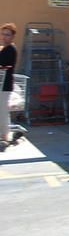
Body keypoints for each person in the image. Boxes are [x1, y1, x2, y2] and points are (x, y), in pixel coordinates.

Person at [0, 23, 18, 151]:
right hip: (2, 84)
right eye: (3, 34)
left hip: (4, 85)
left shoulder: (10, 50)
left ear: (12, 36)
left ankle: (4, 137)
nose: (4, 37)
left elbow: (3, 65)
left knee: (2, 112)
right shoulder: (5, 48)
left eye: (7, 35)